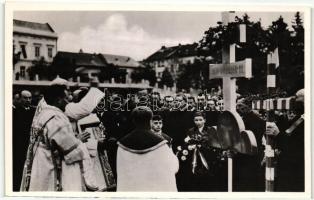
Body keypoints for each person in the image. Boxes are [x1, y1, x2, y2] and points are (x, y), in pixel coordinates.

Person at [20, 82, 97, 191]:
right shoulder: (57, 118)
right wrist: (78, 140)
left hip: (39, 161)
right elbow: (70, 150)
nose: (68, 101)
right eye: (66, 98)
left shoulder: (42, 113)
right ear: (58, 100)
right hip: (49, 163)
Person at [116, 106, 178, 191]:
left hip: (133, 189)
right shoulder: (161, 143)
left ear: (133, 121)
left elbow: (121, 171)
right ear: (150, 121)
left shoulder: (122, 145)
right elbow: (173, 167)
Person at [176, 111, 227, 191]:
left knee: (208, 176)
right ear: (193, 120)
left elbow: (215, 144)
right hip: (194, 156)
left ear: (204, 120)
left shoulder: (210, 130)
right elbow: (187, 143)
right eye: (196, 120)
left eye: (200, 120)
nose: (198, 122)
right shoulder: (191, 130)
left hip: (208, 156)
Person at [265, 89, 304, 191]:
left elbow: (296, 147)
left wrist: (278, 134)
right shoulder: (300, 118)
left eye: (297, 98)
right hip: (287, 167)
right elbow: (287, 131)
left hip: (296, 170)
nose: (294, 101)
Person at [12, 90, 36, 191]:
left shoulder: (34, 111)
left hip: (30, 144)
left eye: (30, 98)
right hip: (18, 145)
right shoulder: (14, 111)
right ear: (20, 99)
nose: (28, 100)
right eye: (25, 98)